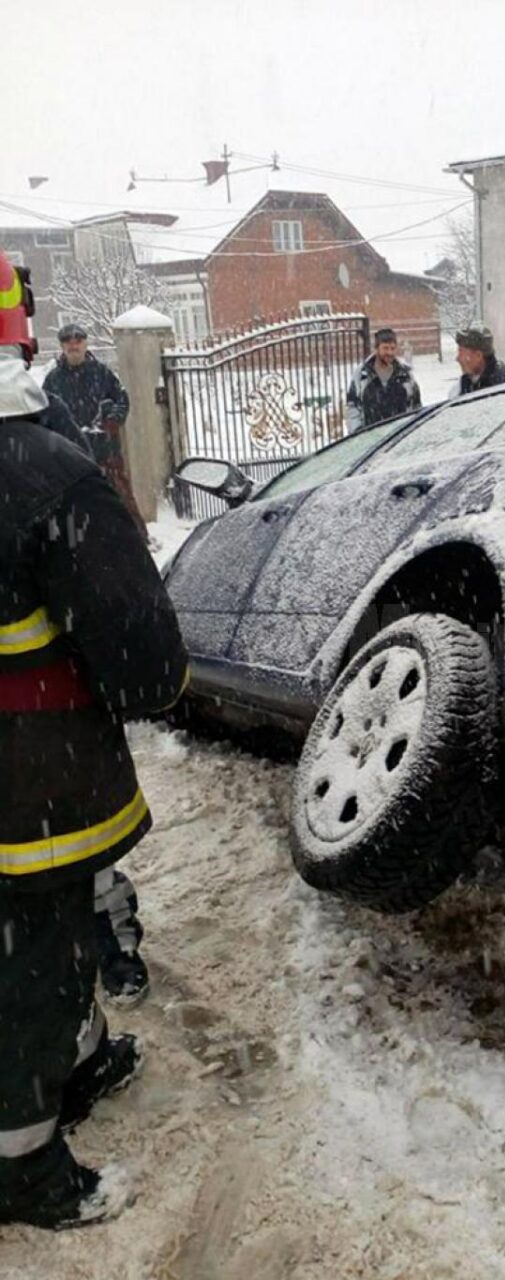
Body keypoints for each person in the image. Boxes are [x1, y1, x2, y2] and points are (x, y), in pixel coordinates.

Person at [0, 348, 188, 1228]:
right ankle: (24, 1162)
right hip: (32, 776)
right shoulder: (45, 475)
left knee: (42, 942)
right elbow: (140, 652)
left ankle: (75, 1061)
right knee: (40, 950)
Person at [0, 256, 150, 1005]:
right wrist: (145, 678)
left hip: (46, 728)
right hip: (50, 729)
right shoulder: (40, 438)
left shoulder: (46, 421)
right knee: (70, 856)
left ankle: (109, 957)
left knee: (75, 868)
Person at [42, 322, 147, 537]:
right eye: (68, 342)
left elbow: (122, 400)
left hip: (105, 449)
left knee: (120, 496)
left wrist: (113, 421)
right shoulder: (53, 380)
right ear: (62, 347)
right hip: (69, 452)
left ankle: (137, 538)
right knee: (74, 501)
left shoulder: (102, 373)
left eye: (78, 341)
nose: (74, 346)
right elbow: (44, 410)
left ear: (85, 343)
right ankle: (85, 541)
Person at [345, 326, 422, 432]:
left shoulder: (405, 375)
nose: (389, 353)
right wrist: (357, 431)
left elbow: (416, 406)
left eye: (392, 348)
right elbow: (353, 406)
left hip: (400, 437)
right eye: (385, 348)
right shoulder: (363, 375)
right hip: (372, 438)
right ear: (376, 348)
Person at [452, 323, 505, 397]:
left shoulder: (501, 386)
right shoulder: (466, 381)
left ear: (478, 356)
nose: (458, 359)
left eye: (461, 353)